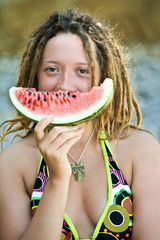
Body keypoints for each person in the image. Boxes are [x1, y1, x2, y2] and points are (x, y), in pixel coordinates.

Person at [0, 9, 160, 240]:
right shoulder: (11, 164)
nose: (65, 86)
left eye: (82, 71)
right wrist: (56, 179)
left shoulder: (141, 151)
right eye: (52, 69)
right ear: (34, 76)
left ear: (104, 78)